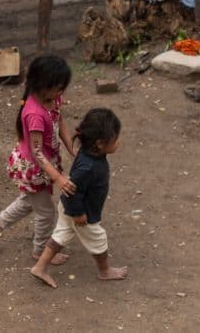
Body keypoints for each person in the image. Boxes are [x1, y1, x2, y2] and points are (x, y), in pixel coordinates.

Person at [0, 55, 76, 263]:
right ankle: (40, 251)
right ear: (42, 85)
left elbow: (60, 120)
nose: (61, 93)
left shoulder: (53, 98)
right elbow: (37, 153)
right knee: (46, 213)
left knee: (30, 202)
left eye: (63, 88)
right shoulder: (34, 114)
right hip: (34, 167)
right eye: (58, 88)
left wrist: (70, 147)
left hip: (43, 165)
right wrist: (59, 178)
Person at [30, 107, 128, 288]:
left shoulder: (90, 153)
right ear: (100, 143)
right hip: (80, 212)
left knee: (61, 235)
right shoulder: (88, 167)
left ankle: (40, 267)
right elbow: (73, 191)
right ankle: (105, 270)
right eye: (115, 139)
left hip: (70, 207)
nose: (118, 142)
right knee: (98, 239)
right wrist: (78, 213)